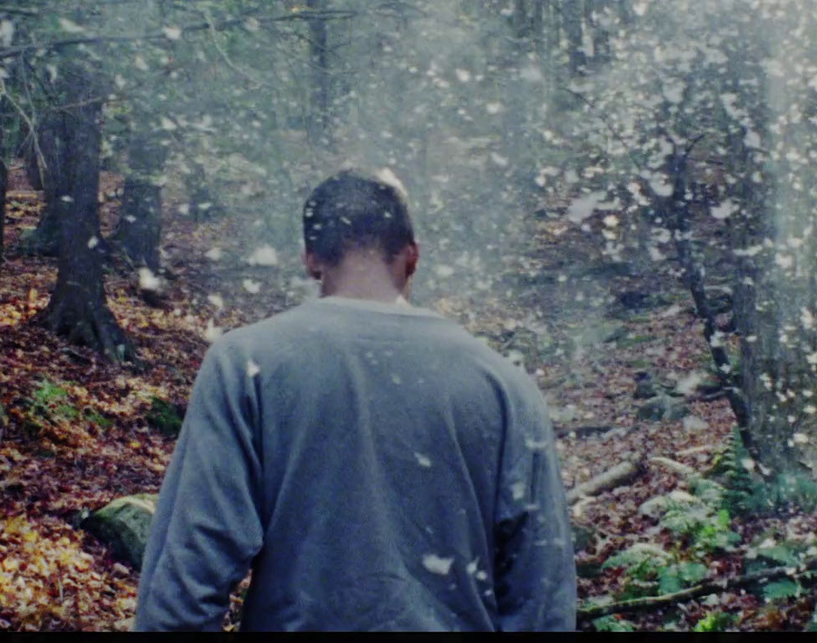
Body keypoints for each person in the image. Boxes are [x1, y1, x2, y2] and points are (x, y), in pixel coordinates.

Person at [134, 168, 576, 631]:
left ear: (310, 259)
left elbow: (188, 571)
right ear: (412, 256)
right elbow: (541, 593)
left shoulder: (246, 364)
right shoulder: (504, 384)